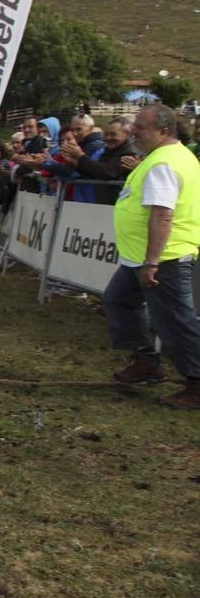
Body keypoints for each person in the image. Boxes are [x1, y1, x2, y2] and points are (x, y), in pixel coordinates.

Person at [103, 105, 200, 410]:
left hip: (163, 259)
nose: (134, 132)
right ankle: (146, 362)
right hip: (140, 257)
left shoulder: (164, 163)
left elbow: (163, 214)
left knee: (175, 323)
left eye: (141, 127)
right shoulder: (166, 157)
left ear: (164, 131)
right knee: (118, 300)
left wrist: (152, 262)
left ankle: (197, 381)